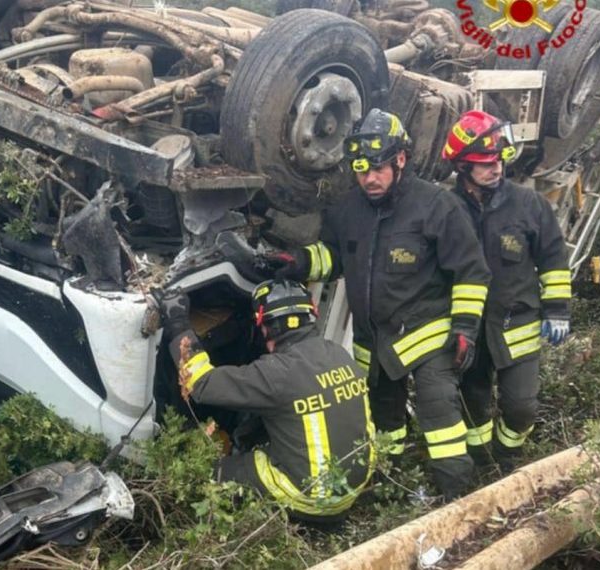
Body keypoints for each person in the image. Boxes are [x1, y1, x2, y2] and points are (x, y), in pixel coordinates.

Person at [267, 109, 491, 499]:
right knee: (384, 419)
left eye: (378, 168)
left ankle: (456, 497)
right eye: (361, 169)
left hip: (428, 336)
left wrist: (465, 330)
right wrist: (298, 262)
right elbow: (334, 258)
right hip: (374, 344)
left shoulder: (436, 205)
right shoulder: (348, 210)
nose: (369, 178)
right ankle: (391, 486)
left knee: (439, 414)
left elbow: (472, 272)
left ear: (400, 160)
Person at [158, 279, 376, 522]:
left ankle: (199, 522)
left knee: (210, 472)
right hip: (352, 486)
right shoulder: (338, 353)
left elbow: (201, 383)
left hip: (311, 498)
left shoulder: (277, 373)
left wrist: (178, 322)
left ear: (266, 327)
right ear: (311, 314)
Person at [441, 110, 571, 471]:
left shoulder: (529, 205)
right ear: (462, 166)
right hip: (469, 332)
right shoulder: (445, 210)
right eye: (485, 163)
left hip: (517, 326)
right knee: (474, 407)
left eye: (499, 159)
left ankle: (507, 453)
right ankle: (483, 464)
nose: (495, 168)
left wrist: (557, 310)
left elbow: (553, 259)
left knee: (521, 407)